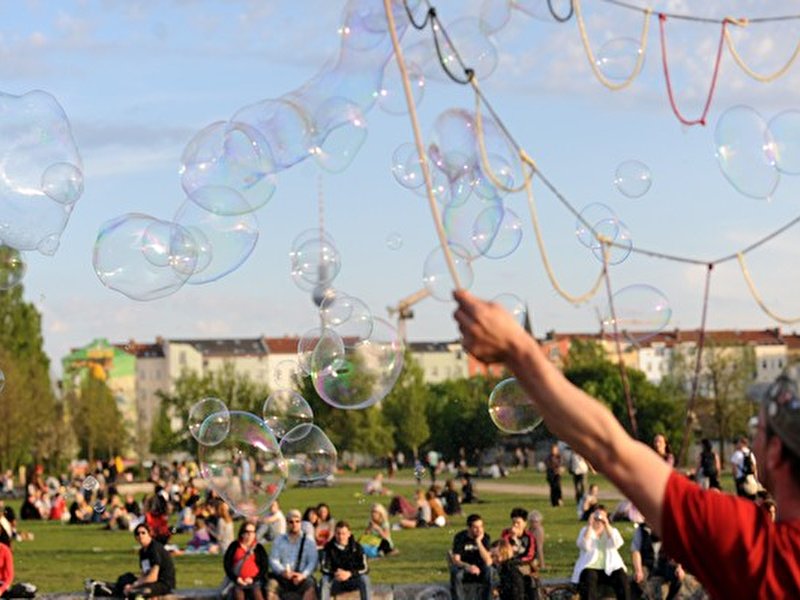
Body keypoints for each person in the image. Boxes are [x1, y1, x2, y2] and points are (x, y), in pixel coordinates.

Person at [453, 289, 800, 597]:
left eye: (759, 427)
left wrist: (517, 348)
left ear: (774, 450)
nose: (752, 436)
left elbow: (610, 448)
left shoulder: (760, 552)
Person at [86, 522, 176, 598]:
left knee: (136, 592)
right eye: (137, 533)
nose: (140, 535)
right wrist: (133, 583)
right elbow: (145, 573)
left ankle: (106, 589)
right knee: (125, 579)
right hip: (151, 582)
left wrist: (134, 585)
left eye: (143, 533)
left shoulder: (154, 549)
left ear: (149, 534)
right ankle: (101, 587)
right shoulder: (143, 552)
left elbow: (153, 577)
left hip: (163, 584)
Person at [571, 505, 629, 600]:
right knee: (589, 578)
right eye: (596, 515)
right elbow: (583, 545)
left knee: (622, 577)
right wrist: (590, 525)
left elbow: (618, 543)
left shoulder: (612, 531)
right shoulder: (585, 530)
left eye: (602, 516)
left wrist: (607, 525)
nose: (599, 519)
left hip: (610, 567)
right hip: (591, 567)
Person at [267, 509, 317, 600]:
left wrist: (303, 575)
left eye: (297, 521)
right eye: (291, 522)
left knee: (310, 586)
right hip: (283, 576)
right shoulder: (279, 539)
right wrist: (283, 572)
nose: (294, 524)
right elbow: (273, 559)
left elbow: (312, 561)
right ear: (287, 523)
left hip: (302, 576)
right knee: (271, 586)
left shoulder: (308, 541)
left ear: (301, 522)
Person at [630, 521, 684, 600]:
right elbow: (635, 551)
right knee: (636, 581)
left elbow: (676, 549)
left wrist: (679, 567)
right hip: (647, 564)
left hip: (664, 564)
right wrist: (638, 570)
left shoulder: (668, 528)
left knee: (678, 577)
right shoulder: (641, 529)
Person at [319, 521, 371, 600]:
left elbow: (365, 568)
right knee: (324, 579)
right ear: (335, 534)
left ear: (349, 534)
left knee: (365, 579)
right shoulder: (329, 547)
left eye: (343, 533)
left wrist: (349, 574)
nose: (341, 536)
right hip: (335, 580)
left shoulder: (357, 547)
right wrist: (336, 573)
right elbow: (323, 568)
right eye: (338, 533)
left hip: (352, 580)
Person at [449, 514, 492, 600]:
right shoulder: (460, 537)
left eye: (481, 526)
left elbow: (488, 561)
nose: (479, 530)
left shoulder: (485, 537)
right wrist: (467, 566)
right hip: (464, 567)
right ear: (469, 528)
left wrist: (478, 542)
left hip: (481, 567)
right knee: (456, 574)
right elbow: (456, 560)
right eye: (476, 527)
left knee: (489, 572)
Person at [223, 522, 268, 600]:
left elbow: (264, 567)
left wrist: (253, 579)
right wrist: (236, 578)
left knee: (257, 595)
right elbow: (227, 564)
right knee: (238, 595)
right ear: (242, 533)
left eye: (252, 532)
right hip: (238, 581)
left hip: (254, 581)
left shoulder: (259, 548)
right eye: (247, 532)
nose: (250, 535)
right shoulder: (234, 546)